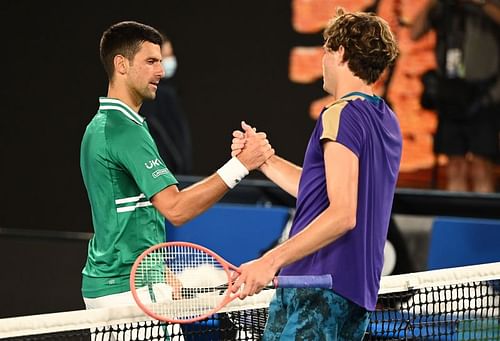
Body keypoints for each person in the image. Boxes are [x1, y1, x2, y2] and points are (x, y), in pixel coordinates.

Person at [230, 8, 402, 340]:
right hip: (352, 294)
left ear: (340, 53)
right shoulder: (385, 119)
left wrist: (269, 262)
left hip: (316, 286)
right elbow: (321, 194)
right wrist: (265, 159)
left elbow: (342, 215)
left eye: (326, 50)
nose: (322, 59)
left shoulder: (340, 114)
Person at [80, 21, 274, 312]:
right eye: (150, 61)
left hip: (115, 284)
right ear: (121, 64)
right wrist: (241, 165)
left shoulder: (101, 126)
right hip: (130, 290)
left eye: (160, 61)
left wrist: (160, 270)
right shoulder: (125, 131)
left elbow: (120, 214)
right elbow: (176, 208)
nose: (160, 71)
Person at [411, 0, 500, 192]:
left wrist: (481, 4)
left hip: (485, 97)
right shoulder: (444, 7)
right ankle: (454, 217)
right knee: (454, 165)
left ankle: (482, 218)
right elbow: (414, 32)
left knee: (481, 164)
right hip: (450, 95)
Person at [140, 35, 193, 174]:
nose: (170, 60)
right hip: (162, 176)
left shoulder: (170, 92)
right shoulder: (151, 96)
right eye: (165, 56)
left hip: (177, 176)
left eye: (171, 55)